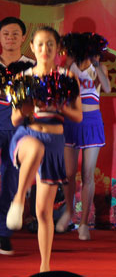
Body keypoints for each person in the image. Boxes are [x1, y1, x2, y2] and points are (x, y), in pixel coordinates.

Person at [6, 26, 82, 273]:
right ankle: (18, 200)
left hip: (54, 141)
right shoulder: (23, 78)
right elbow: (15, 119)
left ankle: (45, 267)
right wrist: (27, 108)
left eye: (50, 44)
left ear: (57, 47)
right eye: (39, 44)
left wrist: (58, 105)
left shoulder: (67, 78)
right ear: (32, 47)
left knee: (42, 212)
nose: (44, 49)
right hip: (28, 136)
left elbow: (78, 116)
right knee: (35, 148)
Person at [54, 34, 112, 240]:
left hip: (92, 121)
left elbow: (107, 88)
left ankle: (84, 223)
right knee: (69, 173)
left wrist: (96, 65)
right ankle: (69, 213)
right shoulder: (69, 67)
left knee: (88, 174)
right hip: (71, 121)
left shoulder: (99, 68)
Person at [0, 17, 34, 256]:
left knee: (13, 182)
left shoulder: (32, 66)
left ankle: (3, 234)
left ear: (23, 37)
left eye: (15, 34)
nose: (10, 38)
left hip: (19, 131)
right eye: (5, 34)